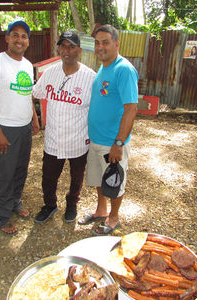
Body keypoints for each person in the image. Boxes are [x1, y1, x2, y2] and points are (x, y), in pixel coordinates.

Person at [78, 24, 139, 235]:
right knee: (98, 178)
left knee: (114, 181)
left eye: (105, 42)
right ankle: (101, 210)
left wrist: (119, 143)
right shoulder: (104, 68)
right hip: (96, 139)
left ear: (116, 44)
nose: (100, 46)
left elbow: (131, 109)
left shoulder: (124, 69)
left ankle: (114, 218)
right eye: (97, 43)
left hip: (112, 142)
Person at [0, 20, 40, 234]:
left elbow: (27, 94)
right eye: (15, 35)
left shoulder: (26, 64)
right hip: (5, 128)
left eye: (24, 36)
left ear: (28, 42)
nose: (19, 40)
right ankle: (2, 216)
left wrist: (33, 118)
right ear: (7, 38)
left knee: (20, 169)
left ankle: (15, 202)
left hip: (24, 128)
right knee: (4, 173)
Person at [32, 30, 96, 224]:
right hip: (53, 138)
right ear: (58, 48)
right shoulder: (50, 73)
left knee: (76, 178)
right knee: (48, 178)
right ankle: (50, 205)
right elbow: (34, 93)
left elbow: (98, 109)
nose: (66, 50)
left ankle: (72, 204)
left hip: (78, 138)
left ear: (79, 51)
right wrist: (34, 117)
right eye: (63, 46)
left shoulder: (90, 77)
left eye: (71, 46)